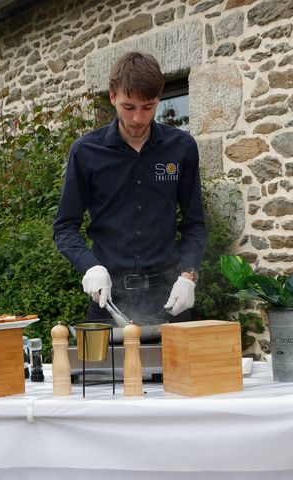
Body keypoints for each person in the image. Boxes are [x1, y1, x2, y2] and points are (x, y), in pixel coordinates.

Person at [53, 51, 207, 327]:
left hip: (170, 298)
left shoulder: (181, 148)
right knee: (110, 372)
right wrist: (90, 266)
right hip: (108, 299)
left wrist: (188, 275)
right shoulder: (86, 151)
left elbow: (194, 224)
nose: (138, 118)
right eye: (128, 106)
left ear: (158, 99)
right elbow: (65, 227)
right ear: (112, 97)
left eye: (148, 107)